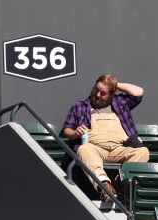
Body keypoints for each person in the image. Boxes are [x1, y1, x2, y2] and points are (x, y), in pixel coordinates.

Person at [61, 74, 149, 202]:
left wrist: (114, 84)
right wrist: (75, 133)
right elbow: (66, 130)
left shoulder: (120, 103)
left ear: (112, 94)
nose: (97, 95)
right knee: (84, 149)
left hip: (119, 149)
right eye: (96, 89)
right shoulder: (81, 106)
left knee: (143, 152)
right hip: (95, 149)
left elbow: (138, 92)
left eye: (103, 93)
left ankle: (120, 183)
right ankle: (105, 187)